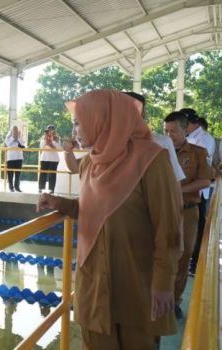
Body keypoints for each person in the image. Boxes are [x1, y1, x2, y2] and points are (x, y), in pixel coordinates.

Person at [38, 90, 181, 349]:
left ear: (102, 119)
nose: (76, 129)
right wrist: (60, 204)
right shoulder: (90, 164)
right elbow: (94, 210)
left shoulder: (151, 159)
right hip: (94, 282)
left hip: (136, 283)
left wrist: (163, 283)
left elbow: (168, 227)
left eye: (79, 122)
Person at [164, 111, 211, 319]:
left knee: (182, 258)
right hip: (161, 212)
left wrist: (178, 190)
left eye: (173, 131)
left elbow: (205, 181)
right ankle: (157, 298)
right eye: (166, 131)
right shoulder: (158, 151)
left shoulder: (198, 153)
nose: (169, 134)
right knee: (158, 254)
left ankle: (174, 301)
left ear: (185, 130)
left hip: (187, 212)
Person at [181, 108, 216, 274]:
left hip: (198, 191)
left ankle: (194, 262)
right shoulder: (191, 137)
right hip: (187, 190)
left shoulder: (204, 139)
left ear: (189, 123)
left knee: (198, 226)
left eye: (183, 125)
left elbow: (203, 169)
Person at [39, 125, 60, 194]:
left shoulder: (57, 137)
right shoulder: (43, 137)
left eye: (52, 129)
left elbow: (59, 147)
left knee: (52, 175)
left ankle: (51, 189)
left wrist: (52, 142)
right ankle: (41, 188)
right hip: (44, 158)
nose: (50, 131)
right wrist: (45, 141)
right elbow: (41, 146)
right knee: (43, 173)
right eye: (49, 130)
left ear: (54, 130)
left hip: (54, 159)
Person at [5, 125, 24, 192]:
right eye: (14, 130)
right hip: (11, 158)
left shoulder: (19, 135)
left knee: (18, 173)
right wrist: (13, 137)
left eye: (16, 130)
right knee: (10, 173)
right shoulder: (8, 136)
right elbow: (8, 143)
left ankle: (17, 187)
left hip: (19, 157)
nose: (15, 131)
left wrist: (18, 137)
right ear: (12, 130)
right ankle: (11, 187)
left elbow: (23, 143)